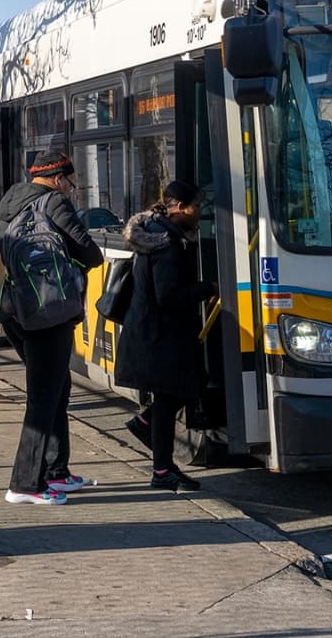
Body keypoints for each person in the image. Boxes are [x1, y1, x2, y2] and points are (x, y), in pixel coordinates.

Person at [0, 150, 104, 505]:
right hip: (49, 311)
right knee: (43, 399)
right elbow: (91, 254)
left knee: (57, 389)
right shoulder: (53, 203)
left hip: (18, 307)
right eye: (71, 183)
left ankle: (56, 472)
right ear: (59, 178)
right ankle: (25, 484)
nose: (72, 190)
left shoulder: (12, 202)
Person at [114, 180, 217, 491]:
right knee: (173, 394)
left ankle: (151, 438)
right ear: (180, 208)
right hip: (160, 335)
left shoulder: (158, 233)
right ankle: (161, 470)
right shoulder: (168, 245)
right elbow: (169, 295)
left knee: (180, 391)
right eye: (196, 207)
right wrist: (207, 289)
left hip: (154, 332)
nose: (199, 213)